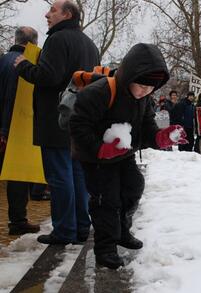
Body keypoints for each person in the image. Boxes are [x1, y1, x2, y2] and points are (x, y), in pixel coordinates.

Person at [69, 43, 188, 269]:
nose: (145, 90)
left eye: (151, 87)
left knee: (133, 186)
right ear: (129, 75)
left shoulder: (143, 98)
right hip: (96, 159)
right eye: (142, 84)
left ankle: (122, 230)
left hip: (123, 155)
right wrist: (99, 149)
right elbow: (78, 125)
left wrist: (161, 137)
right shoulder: (100, 92)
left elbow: (146, 126)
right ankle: (105, 248)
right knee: (107, 200)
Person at [14, 0, 99, 245]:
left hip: (56, 120)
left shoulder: (57, 39)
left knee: (60, 177)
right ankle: (82, 227)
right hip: (81, 120)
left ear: (67, 14)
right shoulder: (89, 44)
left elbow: (48, 77)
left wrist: (24, 66)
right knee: (78, 176)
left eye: (52, 10)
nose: (46, 14)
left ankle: (64, 231)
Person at [0, 26, 41, 235]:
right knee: (17, 177)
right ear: (33, 43)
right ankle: (17, 221)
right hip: (13, 128)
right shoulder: (26, 64)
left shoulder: (3, 59)